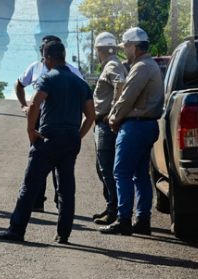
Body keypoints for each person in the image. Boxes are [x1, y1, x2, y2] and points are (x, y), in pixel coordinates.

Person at [0, 41, 95, 244]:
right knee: (66, 189)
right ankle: (63, 234)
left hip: (49, 139)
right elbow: (91, 116)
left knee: (30, 185)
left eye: (44, 58)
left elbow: (34, 104)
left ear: (49, 58)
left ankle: (16, 230)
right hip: (70, 141)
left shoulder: (48, 79)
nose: (44, 61)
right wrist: (78, 135)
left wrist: (31, 131)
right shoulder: (81, 84)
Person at [100, 27, 164, 236]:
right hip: (146, 125)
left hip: (135, 125)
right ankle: (142, 219)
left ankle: (124, 218)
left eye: (126, 46)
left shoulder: (141, 67)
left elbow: (127, 96)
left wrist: (114, 117)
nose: (125, 51)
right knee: (139, 175)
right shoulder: (148, 65)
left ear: (134, 47)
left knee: (122, 172)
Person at [14, 35, 83, 212]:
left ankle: (60, 202)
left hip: (61, 120)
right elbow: (20, 84)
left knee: (59, 165)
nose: (44, 54)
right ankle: (37, 201)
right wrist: (24, 106)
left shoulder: (72, 71)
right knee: (37, 161)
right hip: (40, 118)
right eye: (43, 49)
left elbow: (84, 96)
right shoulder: (35, 67)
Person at [91, 31, 127, 226]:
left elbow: (120, 84)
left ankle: (114, 209)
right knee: (102, 167)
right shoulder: (111, 64)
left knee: (107, 168)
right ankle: (111, 205)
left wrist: (113, 112)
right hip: (101, 124)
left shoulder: (112, 64)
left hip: (105, 124)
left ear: (101, 50)